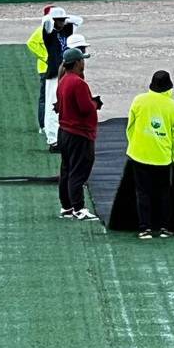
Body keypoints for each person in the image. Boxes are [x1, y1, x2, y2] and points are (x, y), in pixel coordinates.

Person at [126, 70, 174, 240]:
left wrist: (134, 144)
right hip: (162, 157)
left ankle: (145, 229)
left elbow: (130, 126)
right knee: (163, 192)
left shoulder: (139, 101)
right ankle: (164, 227)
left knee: (143, 192)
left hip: (139, 154)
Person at [26, 6, 83, 153]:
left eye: (63, 20)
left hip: (66, 71)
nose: (62, 22)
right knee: (52, 105)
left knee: (67, 104)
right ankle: (53, 140)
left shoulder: (67, 28)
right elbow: (46, 23)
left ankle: (65, 137)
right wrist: (51, 17)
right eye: (59, 20)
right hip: (52, 73)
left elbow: (79, 20)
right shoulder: (48, 32)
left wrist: (64, 17)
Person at [55, 48, 101, 221]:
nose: (84, 62)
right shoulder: (78, 83)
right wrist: (95, 104)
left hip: (65, 132)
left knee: (66, 170)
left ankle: (66, 206)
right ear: (76, 63)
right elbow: (85, 108)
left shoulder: (64, 81)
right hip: (79, 134)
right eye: (82, 60)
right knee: (78, 171)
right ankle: (79, 208)